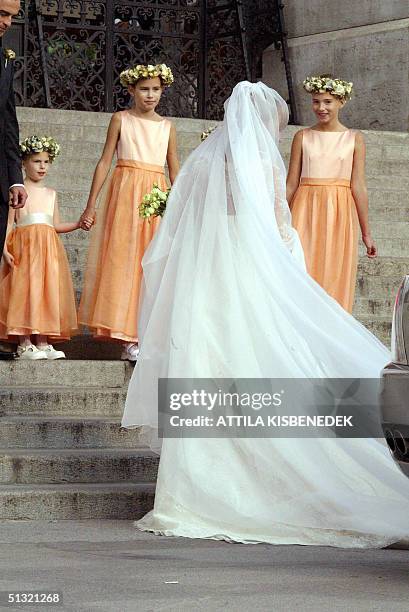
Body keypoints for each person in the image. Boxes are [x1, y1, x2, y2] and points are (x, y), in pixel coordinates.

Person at [122, 81, 409, 549]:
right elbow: (279, 226)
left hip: (209, 278)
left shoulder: (208, 160)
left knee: (209, 362)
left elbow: (181, 222)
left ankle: (195, 486)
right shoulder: (263, 162)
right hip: (249, 274)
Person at [78, 63, 180, 361]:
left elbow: (174, 168)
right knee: (124, 258)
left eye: (156, 90)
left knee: (151, 261)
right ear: (132, 90)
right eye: (145, 89)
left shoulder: (167, 127)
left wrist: (180, 203)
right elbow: (104, 161)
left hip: (155, 194)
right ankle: (128, 335)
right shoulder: (121, 119)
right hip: (125, 194)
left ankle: (147, 330)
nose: (150, 95)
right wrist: (90, 204)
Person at [286, 75, 376, 313]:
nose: (321, 108)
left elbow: (359, 185)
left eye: (327, 102)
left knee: (335, 274)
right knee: (301, 271)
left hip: (340, 214)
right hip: (305, 209)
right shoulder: (302, 137)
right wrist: (277, 218)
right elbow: (291, 183)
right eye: (316, 102)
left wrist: (366, 233)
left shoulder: (354, 139)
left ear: (342, 102)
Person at [0, 136, 80, 359]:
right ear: (23, 163)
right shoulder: (18, 190)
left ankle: (43, 341)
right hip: (24, 247)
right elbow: (8, 223)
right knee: (26, 291)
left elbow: (54, 225)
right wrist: (4, 248)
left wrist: (78, 224)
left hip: (47, 250)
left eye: (46, 161)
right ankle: (24, 342)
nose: (42, 166)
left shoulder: (51, 194)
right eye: (36, 161)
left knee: (45, 292)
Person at [0, 0, 27, 359]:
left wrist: (16, 179)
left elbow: (8, 123)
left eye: (10, 16)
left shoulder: (5, 61)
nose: (6, 21)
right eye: (1, 12)